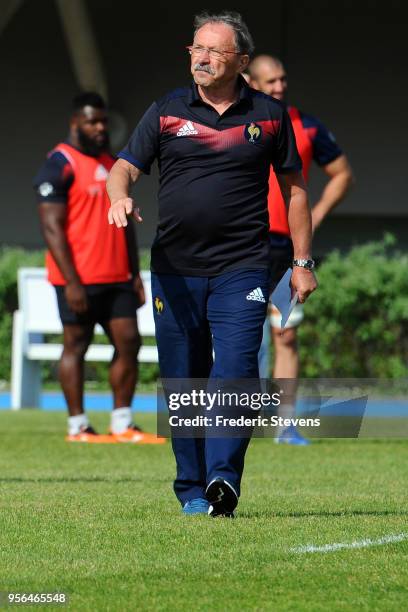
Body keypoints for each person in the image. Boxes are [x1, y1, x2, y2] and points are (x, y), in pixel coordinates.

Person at [107, 12, 317, 515]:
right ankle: (191, 488)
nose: (201, 58)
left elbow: (295, 192)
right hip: (175, 271)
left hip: (242, 266)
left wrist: (302, 261)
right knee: (184, 378)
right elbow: (123, 168)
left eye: (214, 51)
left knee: (239, 367)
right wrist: (119, 196)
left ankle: (225, 479)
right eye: (196, 48)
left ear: (241, 60)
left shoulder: (268, 115)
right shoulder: (166, 110)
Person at [34, 92, 164, 445]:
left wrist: (135, 274)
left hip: (117, 278)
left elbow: (125, 223)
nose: (100, 127)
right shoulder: (59, 163)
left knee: (129, 342)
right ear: (76, 122)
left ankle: (122, 423)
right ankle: (78, 426)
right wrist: (72, 282)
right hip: (77, 279)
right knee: (76, 344)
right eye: (92, 121)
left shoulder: (112, 164)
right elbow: (51, 228)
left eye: (103, 121)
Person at [248, 55, 354, 444]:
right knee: (235, 334)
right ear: (251, 82)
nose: (279, 87)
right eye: (270, 81)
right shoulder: (235, 124)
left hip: (286, 249)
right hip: (244, 246)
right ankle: (232, 418)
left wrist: (317, 213)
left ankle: (285, 425)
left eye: (282, 79)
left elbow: (343, 173)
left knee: (285, 335)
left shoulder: (305, 125)